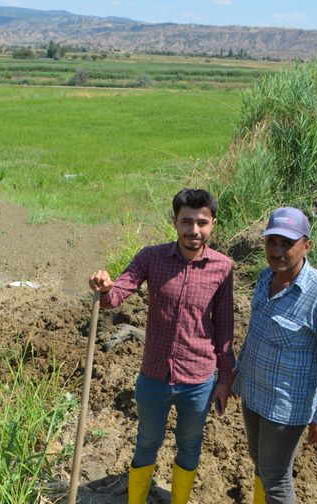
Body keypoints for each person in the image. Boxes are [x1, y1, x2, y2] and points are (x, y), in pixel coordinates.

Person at [89, 188, 234, 504]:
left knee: (190, 442)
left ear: (213, 224)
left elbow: (224, 327)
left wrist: (225, 379)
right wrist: (105, 287)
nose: (193, 231)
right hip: (154, 375)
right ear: (174, 222)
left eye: (201, 222)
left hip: (198, 379)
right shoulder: (151, 258)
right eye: (186, 222)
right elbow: (118, 294)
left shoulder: (223, 268)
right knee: (147, 442)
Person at [233, 207, 317, 504]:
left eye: (287, 243)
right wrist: (238, 374)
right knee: (260, 462)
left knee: (276, 479)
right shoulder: (265, 278)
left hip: (285, 409)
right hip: (254, 396)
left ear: (306, 245)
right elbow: (255, 334)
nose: (277, 250)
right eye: (271, 241)